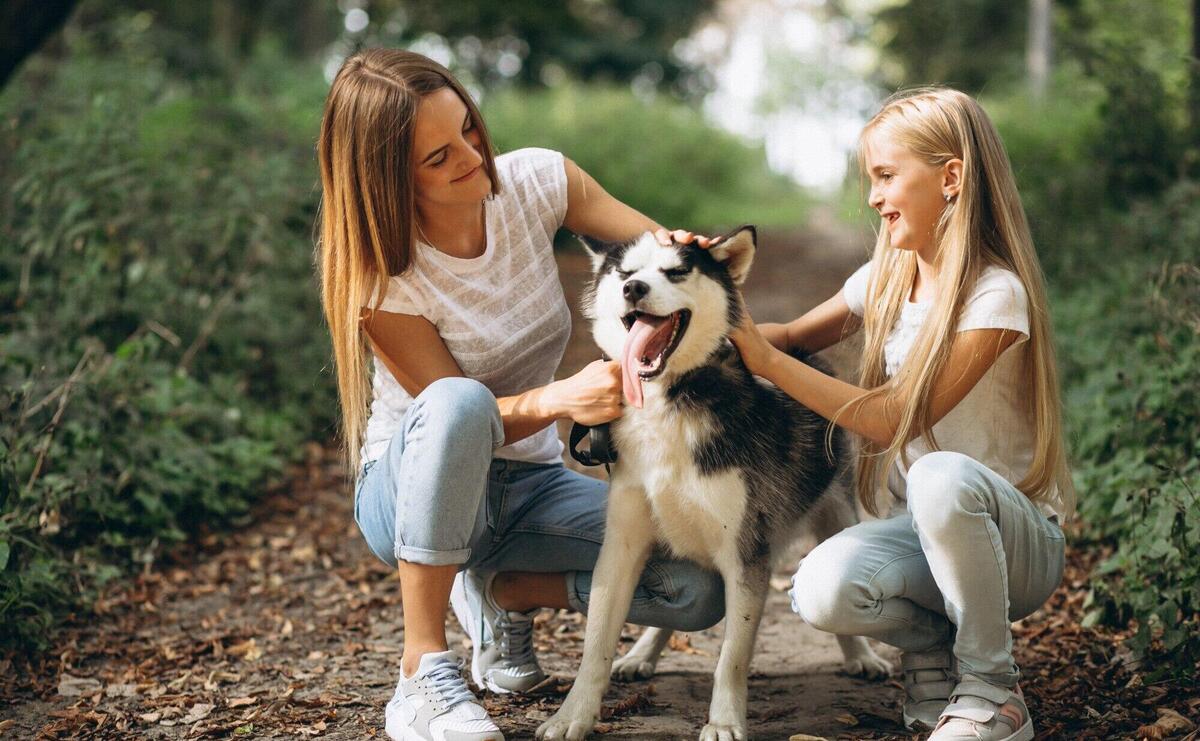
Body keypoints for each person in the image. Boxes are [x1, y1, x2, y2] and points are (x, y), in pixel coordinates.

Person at [316, 49, 724, 741]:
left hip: (529, 486)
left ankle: (501, 591)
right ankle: (422, 670)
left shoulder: (537, 181)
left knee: (699, 580)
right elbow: (457, 417)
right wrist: (560, 398)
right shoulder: (381, 276)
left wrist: (688, 256)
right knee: (458, 401)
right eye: (439, 158)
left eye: (469, 129)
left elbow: (658, 257)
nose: (474, 158)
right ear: (388, 183)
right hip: (412, 487)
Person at [727, 87, 1072, 741]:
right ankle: (934, 656)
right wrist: (705, 310)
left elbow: (893, 418)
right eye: (870, 179)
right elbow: (793, 334)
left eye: (886, 176)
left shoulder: (995, 295)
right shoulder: (886, 276)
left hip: (1018, 543)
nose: (873, 197)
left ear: (950, 178)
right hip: (925, 535)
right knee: (820, 587)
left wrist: (770, 367)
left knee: (939, 475)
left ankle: (995, 692)